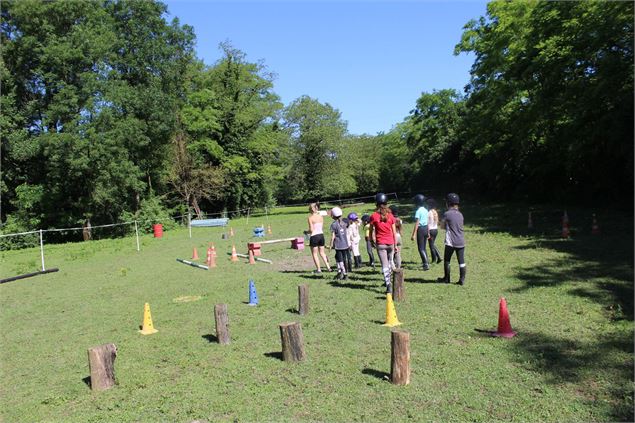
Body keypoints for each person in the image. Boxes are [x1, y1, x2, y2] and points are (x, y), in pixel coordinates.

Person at [368, 193, 398, 293]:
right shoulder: (391, 216)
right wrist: (395, 244)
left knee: (384, 264)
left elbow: (371, 230)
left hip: (381, 243)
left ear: (376, 203)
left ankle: (388, 284)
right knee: (390, 262)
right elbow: (394, 232)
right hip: (391, 243)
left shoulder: (373, 216)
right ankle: (393, 281)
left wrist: (372, 240)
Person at [437, 193, 466, 285]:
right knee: (461, 261)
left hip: (451, 242)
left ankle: (447, 278)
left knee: (447, 260)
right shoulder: (460, 214)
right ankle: (462, 280)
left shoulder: (447, 214)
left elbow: (442, 226)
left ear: (448, 203)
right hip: (461, 240)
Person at [307, 202, 331, 273]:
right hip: (321, 235)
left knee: (315, 254)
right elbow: (321, 227)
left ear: (311, 209)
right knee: (322, 253)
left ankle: (318, 269)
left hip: (314, 236)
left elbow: (311, 230)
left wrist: (306, 232)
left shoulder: (310, 218)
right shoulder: (321, 217)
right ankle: (328, 267)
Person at [410, 194, 430, 270]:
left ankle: (425, 264)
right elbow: (427, 221)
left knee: (420, 248)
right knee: (424, 247)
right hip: (425, 228)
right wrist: (428, 232)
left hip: (421, 229)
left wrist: (414, 234)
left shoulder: (418, 211)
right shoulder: (425, 210)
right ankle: (426, 262)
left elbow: (417, 223)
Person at [329, 206, 350, 280]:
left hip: (338, 245)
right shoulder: (344, 223)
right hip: (345, 244)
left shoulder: (333, 224)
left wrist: (331, 245)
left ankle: (344, 274)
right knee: (340, 258)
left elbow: (333, 236)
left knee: (340, 260)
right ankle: (339, 272)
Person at [426, 198, 442, 264]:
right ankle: (438, 257)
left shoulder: (429, 212)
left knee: (431, 246)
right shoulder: (435, 212)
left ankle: (435, 259)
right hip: (435, 229)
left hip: (431, 230)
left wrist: (427, 232)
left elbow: (427, 223)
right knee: (432, 244)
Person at [388, 205, 402, 270]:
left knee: (391, 253)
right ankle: (398, 267)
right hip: (399, 236)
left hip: (393, 236)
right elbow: (400, 229)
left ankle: (392, 267)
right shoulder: (399, 219)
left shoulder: (390, 219)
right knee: (398, 254)